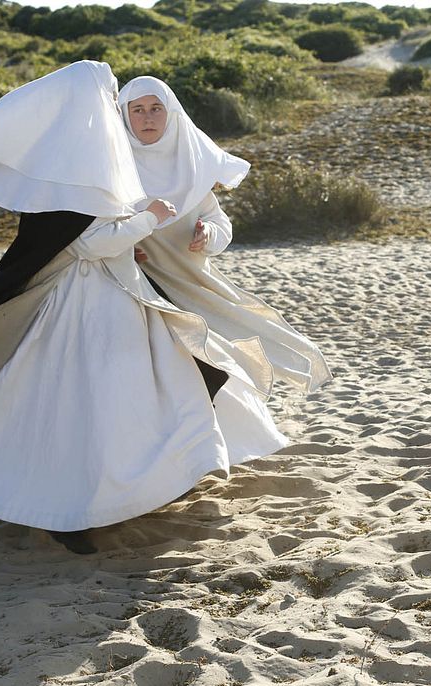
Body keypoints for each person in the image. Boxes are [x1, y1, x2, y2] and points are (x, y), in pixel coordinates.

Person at [0, 61, 260, 554]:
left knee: (149, 385)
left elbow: (91, 237)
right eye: (113, 97)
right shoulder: (76, 168)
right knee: (83, 403)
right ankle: (68, 511)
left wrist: (132, 237)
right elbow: (89, 245)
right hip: (84, 303)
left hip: (117, 293)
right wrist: (147, 221)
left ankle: (163, 480)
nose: (118, 107)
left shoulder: (84, 159)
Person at [115, 76, 331, 464]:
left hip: (190, 282)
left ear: (171, 113)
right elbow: (95, 227)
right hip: (132, 286)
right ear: (124, 115)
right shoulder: (113, 168)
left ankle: (217, 450)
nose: (147, 118)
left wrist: (209, 234)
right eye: (138, 109)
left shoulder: (192, 165)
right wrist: (122, 245)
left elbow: (221, 223)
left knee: (209, 362)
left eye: (156, 108)